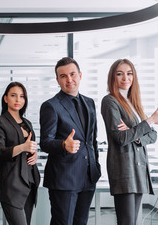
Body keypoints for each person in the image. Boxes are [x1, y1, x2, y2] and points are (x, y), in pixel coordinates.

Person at [39, 57, 101, 225]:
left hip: (88, 177)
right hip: (64, 179)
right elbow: (44, 142)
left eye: (72, 74)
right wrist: (63, 145)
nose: (69, 79)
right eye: (63, 76)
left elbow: (92, 140)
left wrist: (96, 167)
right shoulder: (51, 106)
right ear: (57, 80)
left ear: (80, 75)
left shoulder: (90, 103)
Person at [101, 59, 158, 225]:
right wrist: (150, 121)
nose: (125, 78)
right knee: (127, 221)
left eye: (129, 74)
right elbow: (120, 138)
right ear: (112, 77)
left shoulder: (134, 103)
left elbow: (153, 136)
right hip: (124, 169)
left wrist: (134, 134)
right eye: (119, 74)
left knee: (132, 222)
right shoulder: (110, 101)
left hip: (138, 169)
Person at [0, 82, 40, 225]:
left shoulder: (27, 123)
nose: (18, 100)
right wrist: (22, 147)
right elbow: (0, 152)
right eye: (13, 95)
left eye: (22, 96)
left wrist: (34, 154)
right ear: (6, 98)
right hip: (12, 185)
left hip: (29, 182)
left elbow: (30, 148)